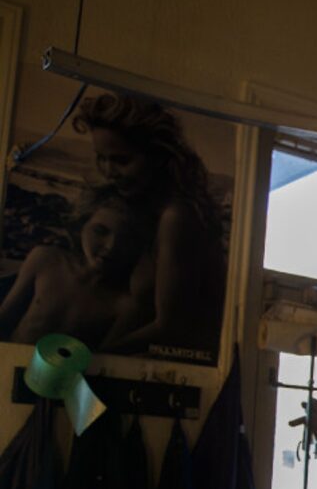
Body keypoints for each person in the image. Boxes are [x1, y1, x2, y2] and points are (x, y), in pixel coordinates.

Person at [71, 92, 226, 361]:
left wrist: (96, 358)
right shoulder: (143, 213)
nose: (109, 171)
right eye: (101, 158)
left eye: (121, 160)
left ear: (157, 157)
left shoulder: (176, 217)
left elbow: (171, 328)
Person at [0, 188, 149, 345]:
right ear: (81, 226)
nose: (111, 246)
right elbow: (5, 318)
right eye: (100, 231)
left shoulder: (124, 304)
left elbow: (106, 359)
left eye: (125, 238)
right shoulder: (45, 260)